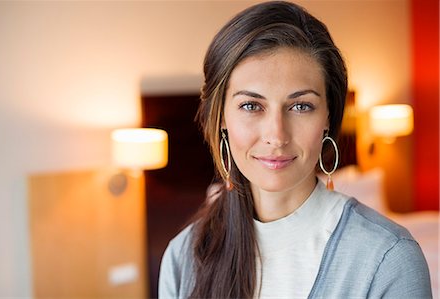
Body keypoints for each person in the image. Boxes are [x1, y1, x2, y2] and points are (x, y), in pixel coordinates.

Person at [158, 1, 432, 298]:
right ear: (222, 117)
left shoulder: (388, 258)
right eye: (251, 106)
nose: (277, 135)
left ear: (328, 117)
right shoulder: (184, 257)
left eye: (301, 106)